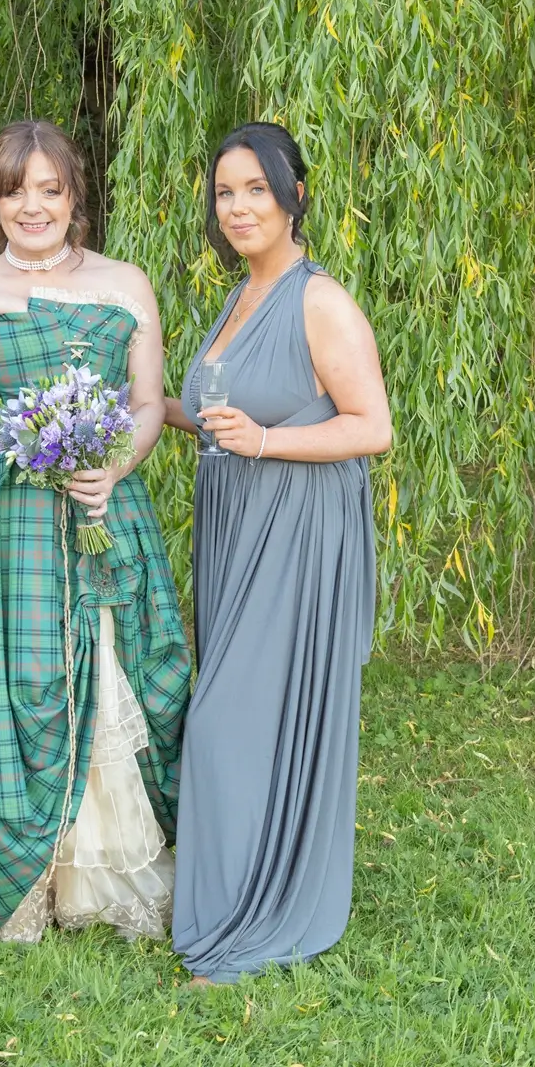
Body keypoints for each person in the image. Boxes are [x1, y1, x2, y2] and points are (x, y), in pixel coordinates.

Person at [0, 120, 191, 941]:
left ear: (76, 198)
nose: (31, 207)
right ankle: (26, 865)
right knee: (17, 669)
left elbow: (147, 401)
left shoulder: (124, 282)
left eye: (50, 189)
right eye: (14, 192)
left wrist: (114, 468)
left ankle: (107, 859)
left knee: (106, 658)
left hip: (98, 501)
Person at [163, 122, 391, 984]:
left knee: (226, 722)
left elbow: (372, 426)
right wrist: (133, 409)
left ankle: (256, 914)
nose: (238, 207)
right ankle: (233, 893)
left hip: (297, 530)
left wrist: (262, 442)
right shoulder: (241, 297)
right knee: (238, 714)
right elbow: (221, 416)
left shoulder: (318, 300)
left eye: (256, 189)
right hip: (236, 521)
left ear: (295, 195)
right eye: (225, 192)